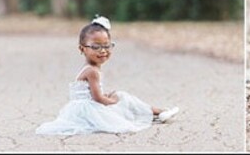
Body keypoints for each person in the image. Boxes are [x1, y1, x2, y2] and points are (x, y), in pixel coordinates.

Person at [36, 15, 179, 136]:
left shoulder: (91, 68)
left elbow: (93, 93)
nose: (102, 51)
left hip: (85, 107)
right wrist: (113, 101)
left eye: (106, 45)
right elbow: (98, 98)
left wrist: (108, 96)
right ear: (82, 49)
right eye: (96, 47)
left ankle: (156, 114)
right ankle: (160, 112)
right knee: (123, 97)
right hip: (87, 110)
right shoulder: (92, 71)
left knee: (119, 97)